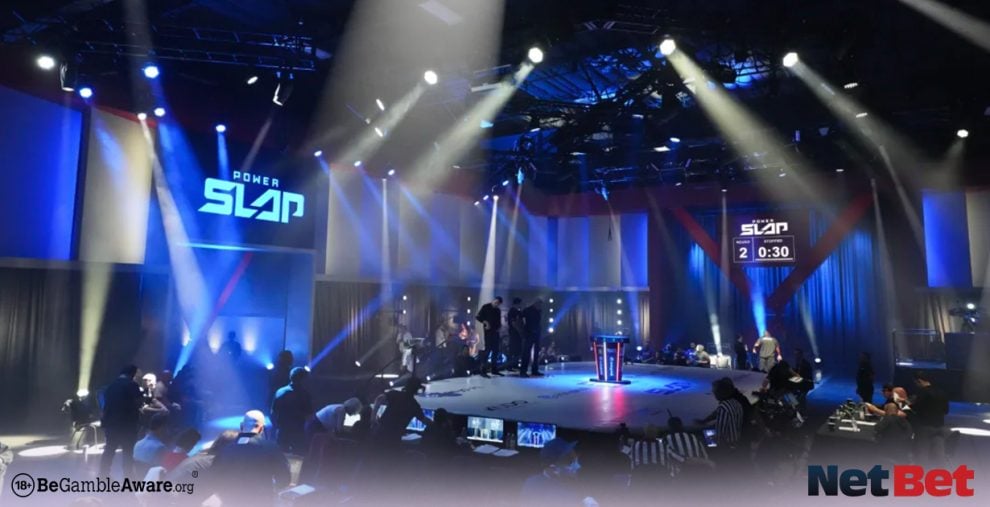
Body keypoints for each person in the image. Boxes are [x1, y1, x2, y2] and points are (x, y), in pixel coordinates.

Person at [211, 410, 291, 505]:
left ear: (241, 426)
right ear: (261, 429)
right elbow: (284, 479)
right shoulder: (271, 448)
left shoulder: (226, 449)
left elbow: (214, 477)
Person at [520, 438, 597, 507]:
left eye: (576, 459)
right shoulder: (534, 485)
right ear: (553, 467)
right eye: (570, 461)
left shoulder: (573, 485)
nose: (578, 466)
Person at [100, 365, 144, 477]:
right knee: (128, 452)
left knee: (109, 450)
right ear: (132, 373)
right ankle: (128, 477)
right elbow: (139, 402)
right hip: (127, 425)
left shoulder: (111, 386)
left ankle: (103, 476)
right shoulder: (132, 384)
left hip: (111, 423)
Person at [909, 371, 949, 463]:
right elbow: (946, 411)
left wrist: (908, 406)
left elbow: (916, 409)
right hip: (939, 427)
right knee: (938, 456)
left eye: (916, 383)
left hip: (924, 427)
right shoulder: (941, 392)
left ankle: (922, 471)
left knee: (921, 455)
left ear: (919, 381)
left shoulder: (922, 392)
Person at [271, 367, 313, 453]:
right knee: (298, 456)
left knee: (281, 456)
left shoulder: (280, 391)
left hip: (282, 430)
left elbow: (273, 412)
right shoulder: (304, 394)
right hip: (297, 432)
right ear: (303, 379)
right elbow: (309, 414)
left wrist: (277, 427)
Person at [377, 377, 431, 444]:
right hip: (394, 437)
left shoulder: (395, 394)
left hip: (381, 432)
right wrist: (437, 423)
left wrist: (373, 418)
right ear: (416, 389)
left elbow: (379, 399)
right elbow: (424, 420)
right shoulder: (414, 405)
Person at [475, 297, 504, 377]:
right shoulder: (486, 307)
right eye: (496, 302)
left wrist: (500, 327)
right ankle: (483, 370)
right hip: (488, 332)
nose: (496, 304)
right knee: (487, 350)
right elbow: (478, 317)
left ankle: (494, 369)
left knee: (496, 351)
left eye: (498, 304)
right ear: (493, 300)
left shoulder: (498, 310)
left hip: (496, 332)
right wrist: (485, 322)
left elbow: (498, 321)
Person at [521, 299, 545, 377]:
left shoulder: (538, 311)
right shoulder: (527, 310)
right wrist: (525, 331)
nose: (540, 306)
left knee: (536, 353)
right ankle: (523, 371)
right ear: (536, 304)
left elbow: (538, 322)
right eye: (540, 305)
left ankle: (534, 370)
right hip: (529, 334)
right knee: (526, 353)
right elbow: (522, 321)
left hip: (536, 333)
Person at [507, 298, 525, 371]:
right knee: (512, 349)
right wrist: (519, 331)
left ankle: (515, 364)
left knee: (518, 350)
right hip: (514, 333)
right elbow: (513, 323)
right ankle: (509, 365)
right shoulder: (512, 311)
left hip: (518, 334)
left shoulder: (518, 312)